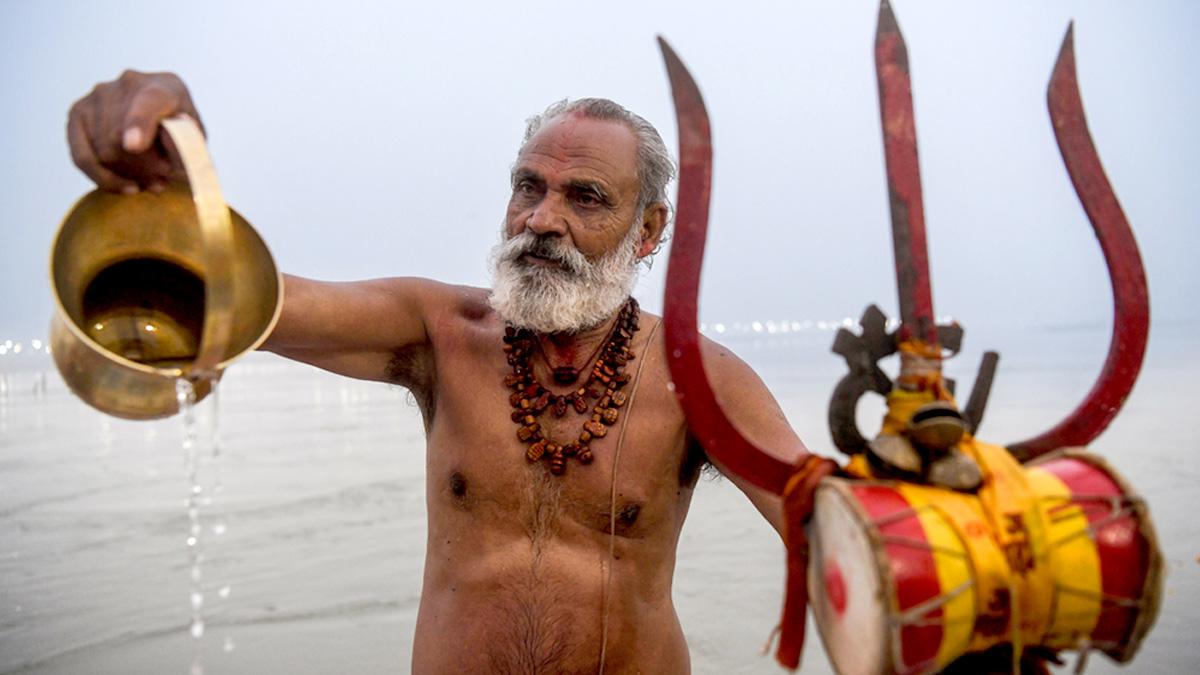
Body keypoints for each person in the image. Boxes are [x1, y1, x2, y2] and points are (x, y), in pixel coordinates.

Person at [68, 70, 823, 673]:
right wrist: (171, 186)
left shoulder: (699, 377)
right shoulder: (442, 335)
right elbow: (247, 302)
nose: (541, 218)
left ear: (649, 229)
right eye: (529, 186)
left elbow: (827, 525)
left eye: (584, 196)